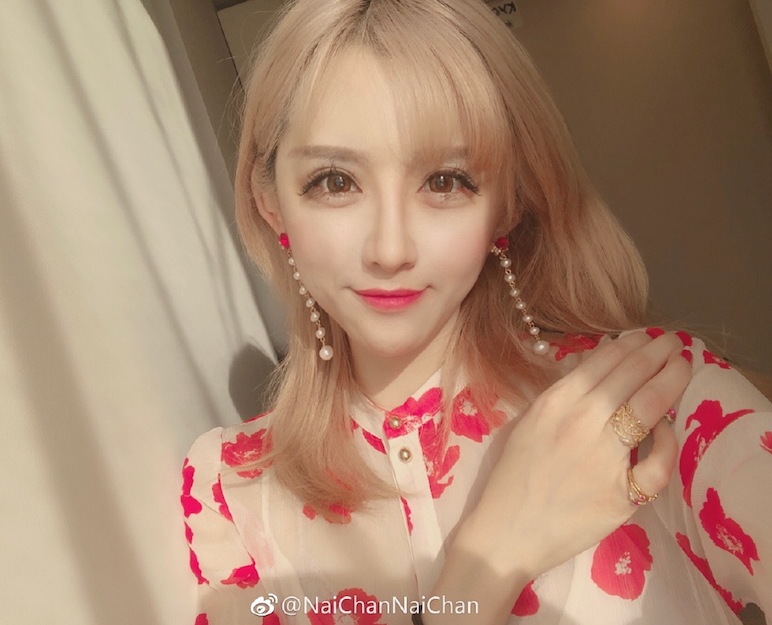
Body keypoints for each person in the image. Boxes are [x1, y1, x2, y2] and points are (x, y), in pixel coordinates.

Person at [181, 0, 772, 623]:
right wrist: (496, 551)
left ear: (507, 207)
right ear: (271, 202)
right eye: (335, 181)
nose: (390, 250)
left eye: (445, 181)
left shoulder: (654, 400)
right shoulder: (229, 490)